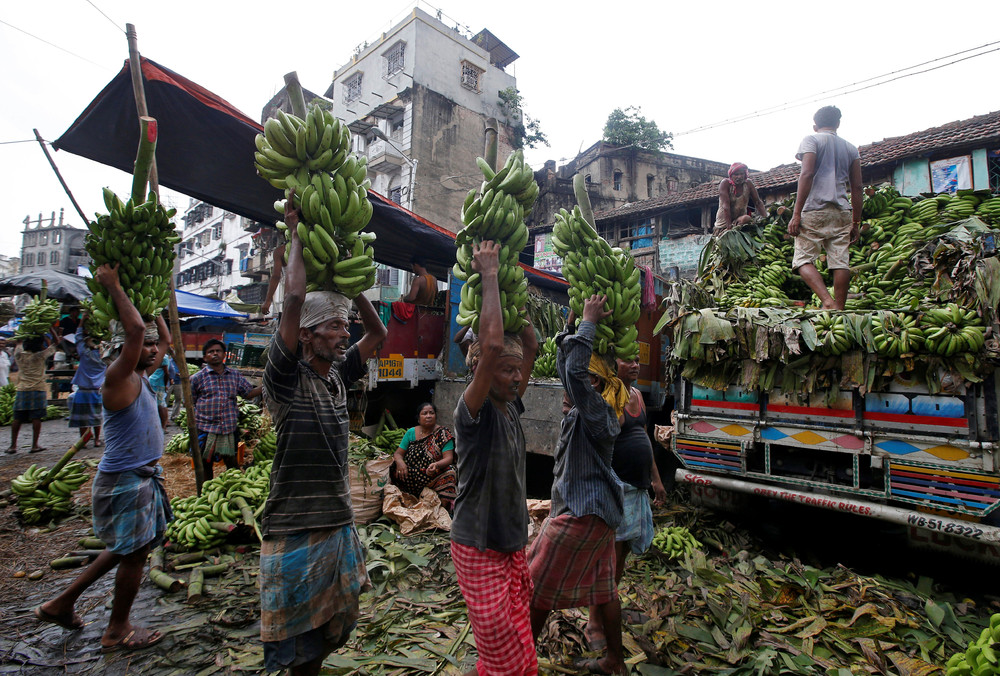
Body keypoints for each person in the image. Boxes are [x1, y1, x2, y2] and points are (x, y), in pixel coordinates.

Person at [258, 200, 387, 676]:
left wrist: (352, 292)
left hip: (336, 522)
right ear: (306, 337)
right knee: (298, 652)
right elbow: (292, 301)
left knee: (337, 626)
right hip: (294, 524)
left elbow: (377, 330)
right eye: (334, 326)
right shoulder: (286, 379)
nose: (344, 332)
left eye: (343, 325)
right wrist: (295, 235)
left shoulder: (337, 375)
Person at [35, 263, 172, 653]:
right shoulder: (118, 378)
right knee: (133, 556)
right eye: (141, 345)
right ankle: (117, 629)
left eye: (150, 347)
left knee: (130, 549)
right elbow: (134, 332)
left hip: (141, 477)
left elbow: (162, 341)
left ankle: (61, 602)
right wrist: (113, 285)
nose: (149, 349)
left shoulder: (143, 377)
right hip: (126, 479)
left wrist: (157, 306)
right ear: (123, 351)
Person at [450, 240, 538, 676]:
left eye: (518, 371)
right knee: (504, 655)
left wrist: (513, 292)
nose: (516, 376)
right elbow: (489, 349)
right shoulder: (474, 413)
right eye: (507, 370)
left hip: (510, 544)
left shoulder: (509, 405)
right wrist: (487, 277)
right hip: (478, 544)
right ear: (483, 373)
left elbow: (532, 349)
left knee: (517, 648)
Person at [527, 297, 627, 676]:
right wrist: (570, 325)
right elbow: (565, 368)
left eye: (582, 380)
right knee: (605, 590)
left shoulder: (597, 411)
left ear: (595, 382)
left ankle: (520, 660)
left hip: (583, 513)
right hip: (599, 512)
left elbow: (573, 370)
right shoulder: (578, 408)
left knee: (534, 586)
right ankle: (615, 662)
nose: (567, 387)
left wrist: (587, 324)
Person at [584, 355, 668, 651]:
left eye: (637, 360)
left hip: (637, 488)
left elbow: (643, 436)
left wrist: (655, 479)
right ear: (611, 364)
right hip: (614, 489)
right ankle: (594, 621)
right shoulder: (608, 397)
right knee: (608, 559)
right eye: (627, 361)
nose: (636, 365)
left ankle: (608, 608)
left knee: (621, 560)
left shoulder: (637, 395)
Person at [787, 105, 863, 310]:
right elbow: (857, 187)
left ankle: (827, 302)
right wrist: (856, 221)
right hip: (842, 211)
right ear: (837, 123)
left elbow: (807, 174)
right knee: (840, 261)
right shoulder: (850, 148)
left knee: (802, 260)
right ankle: (839, 307)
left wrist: (796, 214)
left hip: (814, 209)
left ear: (815, 126)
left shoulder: (811, 140)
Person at [189, 339, 262, 479]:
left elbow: (248, 393)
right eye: (211, 352)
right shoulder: (198, 378)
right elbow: (192, 401)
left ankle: (234, 486)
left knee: (231, 461)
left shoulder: (234, 375)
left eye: (218, 351)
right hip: (205, 427)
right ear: (205, 357)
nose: (215, 354)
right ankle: (205, 491)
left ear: (224, 355)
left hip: (227, 427)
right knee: (205, 463)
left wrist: (267, 386)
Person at [390, 402, 457, 511]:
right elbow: (398, 453)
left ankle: (442, 509)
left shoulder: (443, 434)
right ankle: (401, 501)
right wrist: (400, 463)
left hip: (432, 475)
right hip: (412, 475)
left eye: (431, 413)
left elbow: (449, 458)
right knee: (392, 467)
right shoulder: (411, 432)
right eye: (424, 413)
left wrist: (436, 465)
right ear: (418, 418)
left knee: (450, 472)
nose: (428, 416)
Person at [8, 329, 60, 454]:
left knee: (17, 418)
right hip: (38, 389)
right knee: (36, 417)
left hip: (22, 389)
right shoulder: (40, 356)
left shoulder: (19, 355)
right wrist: (52, 330)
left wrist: (25, 332)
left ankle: (13, 445)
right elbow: (56, 343)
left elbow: (18, 342)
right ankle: (34, 445)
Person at [67, 321, 107, 447]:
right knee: (96, 417)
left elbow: (78, 339)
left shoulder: (85, 354)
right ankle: (96, 440)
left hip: (83, 390)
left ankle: (83, 441)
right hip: (97, 390)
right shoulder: (103, 357)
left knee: (82, 419)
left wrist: (81, 322)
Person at [714, 162, 768, 234]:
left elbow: (758, 202)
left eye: (742, 174)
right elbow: (726, 206)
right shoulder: (725, 184)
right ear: (731, 175)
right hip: (724, 222)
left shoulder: (748, 183)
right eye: (736, 174)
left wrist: (766, 219)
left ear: (745, 174)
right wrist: (729, 227)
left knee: (746, 218)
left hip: (740, 221)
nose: (739, 176)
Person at [392, 256, 438, 323]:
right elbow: (436, 295)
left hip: (416, 314)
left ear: (416, 265)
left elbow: (411, 298)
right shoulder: (434, 279)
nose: (413, 270)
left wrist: (404, 298)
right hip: (429, 315)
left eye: (412, 267)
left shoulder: (418, 280)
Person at [147, 349, 172, 430]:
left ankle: (163, 425)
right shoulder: (163, 358)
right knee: (160, 404)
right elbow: (166, 372)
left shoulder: (161, 358)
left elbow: (166, 372)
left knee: (160, 404)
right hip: (157, 382)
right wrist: (165, 384)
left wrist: (165, 384)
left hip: (156, 382)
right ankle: (163, 425)